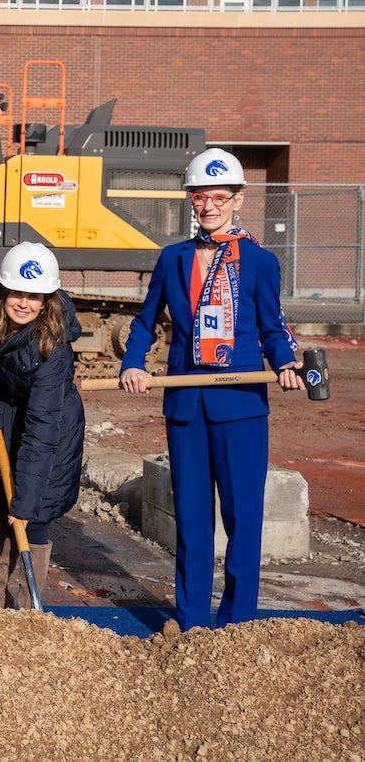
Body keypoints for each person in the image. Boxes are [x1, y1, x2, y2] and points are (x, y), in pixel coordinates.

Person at [119, 147, 304, 630]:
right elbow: (144, 322)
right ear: (191, 202)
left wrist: (285, 363)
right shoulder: (173, 258)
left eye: (219, 197)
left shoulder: (260, 262)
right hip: (184, 403)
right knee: (193, 523)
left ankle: (238, 623)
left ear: (238, 200)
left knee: (243, 520)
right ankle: (191, 620)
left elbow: (273, 326)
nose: (209, 206)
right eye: (200, 197)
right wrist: (133, 362)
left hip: (241, 404)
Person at [0, 242, 85, 610]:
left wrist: (27, 501)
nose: (24, 303)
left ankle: (30, 613)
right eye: (16, 293)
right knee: (8, 505)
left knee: (32, 512)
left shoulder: (53, 350)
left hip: (51, 429)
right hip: (9, 416)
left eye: (34, 296)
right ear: (3, 292)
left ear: (46, 300)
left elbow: (42, 431)